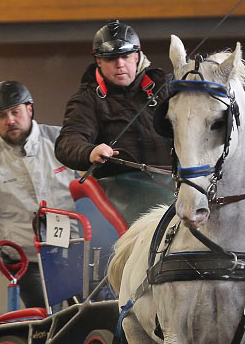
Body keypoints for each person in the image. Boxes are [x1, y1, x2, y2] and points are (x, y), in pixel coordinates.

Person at [0, 80, 75, 309]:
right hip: (26, 262)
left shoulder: (65, 144)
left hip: (78, 252)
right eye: (1, 116)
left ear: (30, 110)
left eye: (15, 112)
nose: (10, 120)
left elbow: (101, 189)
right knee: (49, 321)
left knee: (92, 317)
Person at [55, 20, 174, 222]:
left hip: (177, 183)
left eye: (125, 56)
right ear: (99, 61)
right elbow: (66, 143)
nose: (120, 64)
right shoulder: (87, 99)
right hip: (123, 192)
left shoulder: (165, 87)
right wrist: (90, 151)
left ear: (137, 56)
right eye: (111, 59)